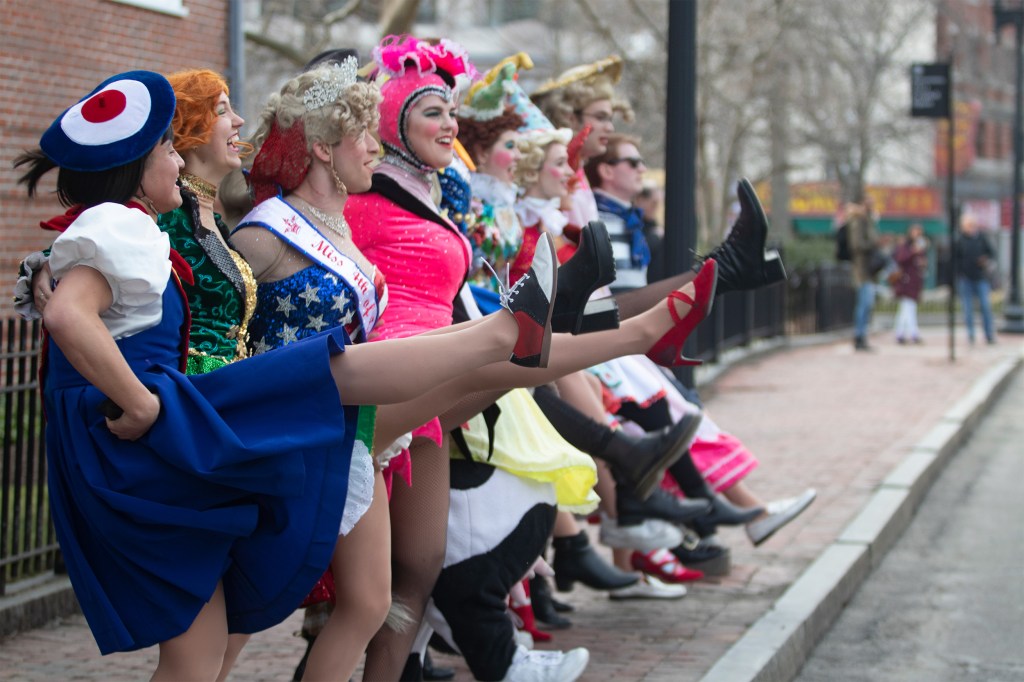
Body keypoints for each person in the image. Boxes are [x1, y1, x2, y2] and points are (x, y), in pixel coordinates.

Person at [13, 70, 575, 680]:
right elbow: (75, 312)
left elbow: (85, 293)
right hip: (177, 426)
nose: (178, 156)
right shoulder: (130, 224)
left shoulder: (139, 223)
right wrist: (141, 403)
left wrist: (52, 275)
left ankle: (514, 333)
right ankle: (507, 334)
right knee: (325, 376)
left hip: (187, 425)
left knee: (202, 656)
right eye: (167, 148)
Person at [344, 36, 720, 680]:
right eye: (430, 111)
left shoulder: (426, 189)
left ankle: (401, 670)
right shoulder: (363, 194)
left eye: (450, 111)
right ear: (392, 120)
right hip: (395, 372)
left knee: (419, 565)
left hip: (444, 360)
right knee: (363, 596)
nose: (448, 123)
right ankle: (642, 339)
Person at [843, 197, 882, 351]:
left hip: (868, 270)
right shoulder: (858, 223)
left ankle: (862, 335)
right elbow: (856, 244)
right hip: (862, 270)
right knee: (864, 304)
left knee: (867, 304)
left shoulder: (867, 222)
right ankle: (859, 337)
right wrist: (873, 243)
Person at [954, 213, 997, 345]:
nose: (970, 228)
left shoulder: (982, 238)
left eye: (972, 225)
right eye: (967, 225)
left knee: (985, 306)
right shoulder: (960, 240)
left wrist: (986, 261)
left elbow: (992, 254)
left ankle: (989, 335)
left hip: (981, 277)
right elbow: (954, 260)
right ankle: (971, 335)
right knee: (967, 309)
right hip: (965, 279)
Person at [892, 222, 928, 344]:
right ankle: (913, 333)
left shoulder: (920, 247)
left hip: (915, 280)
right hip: (905, 280)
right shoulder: (905, 246)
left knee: (906, 308)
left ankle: (900, 333)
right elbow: (900, 259)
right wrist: (913, 251)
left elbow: (922, 262)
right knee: (908, 307)